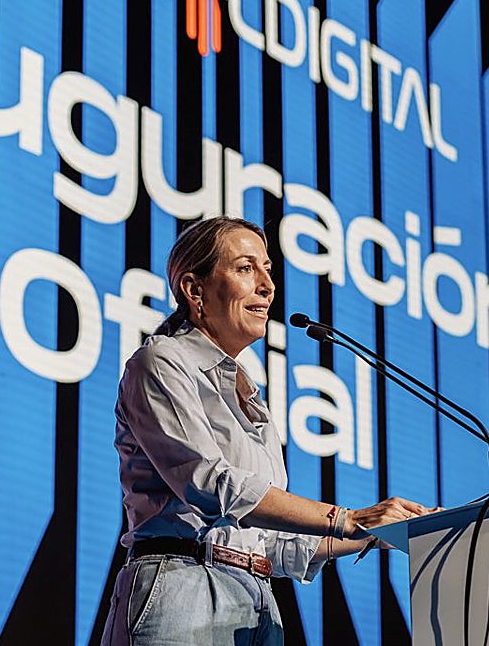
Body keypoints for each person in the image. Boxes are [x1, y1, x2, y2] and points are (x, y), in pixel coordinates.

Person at [100, 215, 438, 646]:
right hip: (184, 588)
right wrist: (346, 519)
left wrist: (380, 531)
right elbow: (210, 484)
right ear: (194, 289)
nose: (267, 285)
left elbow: (272, 545)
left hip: (256, 599)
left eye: (268, 270)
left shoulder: (247, 392)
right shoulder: (161, 362)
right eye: (245, 268)